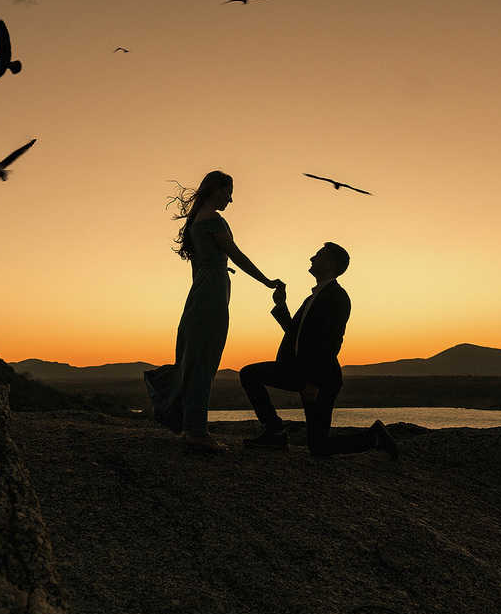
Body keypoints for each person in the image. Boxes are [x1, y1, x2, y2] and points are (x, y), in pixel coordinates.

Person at [144, 171, 281, 453]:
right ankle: (197, 433)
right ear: (216, 190)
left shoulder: (195, 222)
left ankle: (190, 426)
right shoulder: (215, 221)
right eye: (229, 192)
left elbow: (196, 271)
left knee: (193, 359)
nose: (231, 199)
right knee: (205, 361)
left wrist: (201, 292)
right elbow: (237, 255)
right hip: (213, 291)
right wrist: (267, 281)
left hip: (199, 292)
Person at [240, 242, 397, 458]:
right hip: (298, 370)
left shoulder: (337, 296)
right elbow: (294, 334)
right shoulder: (313, 297)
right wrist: (281, 305)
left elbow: (333, 343)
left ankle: (375, 437)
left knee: (318, 447)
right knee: (250, 374)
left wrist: (315, 382)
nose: (312, 258)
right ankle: (275, 432)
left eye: (318, 255)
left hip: (321, 379)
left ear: (331, 264)